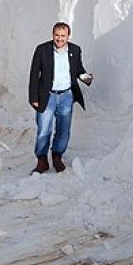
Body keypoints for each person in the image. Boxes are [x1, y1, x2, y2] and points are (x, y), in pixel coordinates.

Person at [28, 21, 93, 174]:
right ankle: (42, 160)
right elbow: (33, 75)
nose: (59, 39)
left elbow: (78, 69)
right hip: (47, 96)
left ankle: (57, 156)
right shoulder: (42, 50)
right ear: (53, 35)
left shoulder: (75, 50)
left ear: (68, 36)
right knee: (44, 129)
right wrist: (33, 97)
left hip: (66, 96)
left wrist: (85, 76)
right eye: (57, 35)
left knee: (63, 130)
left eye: (63, 36)